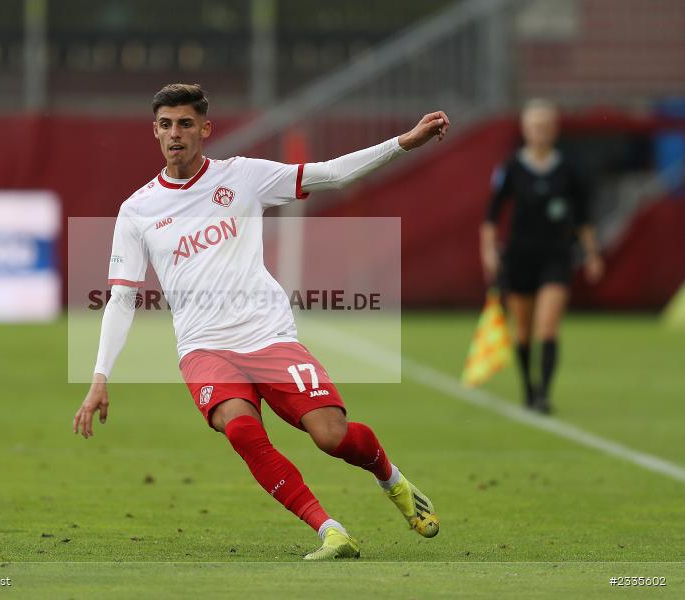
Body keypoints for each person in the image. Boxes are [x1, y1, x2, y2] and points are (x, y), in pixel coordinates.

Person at [74, 83, 449, 560]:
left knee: (331, 436)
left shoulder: (243, 177)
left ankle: (392, 481)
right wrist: (99, 377)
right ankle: (330, 530)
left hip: (267, 335)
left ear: (205, 129)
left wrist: (403, 142)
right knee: (241, 430)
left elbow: (329, 174)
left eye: (185, 124)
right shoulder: (137, 210)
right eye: (166, 125)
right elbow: (122, 299)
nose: (175, 134)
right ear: (154, 131)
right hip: (203, 348)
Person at [480, 99, 604, 414]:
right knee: (522, 330)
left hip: (556, 256)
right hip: (520, 257)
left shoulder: (569, 169)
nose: (540, 131)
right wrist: (489, 251)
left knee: (547, 327)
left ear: (555, 129)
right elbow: (492, 216)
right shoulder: (510, 167)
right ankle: (529, 389)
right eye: (534, 126)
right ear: (525, 130)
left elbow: (584, 218)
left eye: (546, 125)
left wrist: (591, 254)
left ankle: (545, 395)